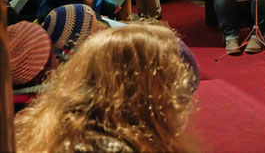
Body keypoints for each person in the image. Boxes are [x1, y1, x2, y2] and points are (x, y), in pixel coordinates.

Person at [14, 24, 197, 152]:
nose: (184, 112)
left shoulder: (67, 124)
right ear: (151, 95)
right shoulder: (107, 147)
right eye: (180, 98)